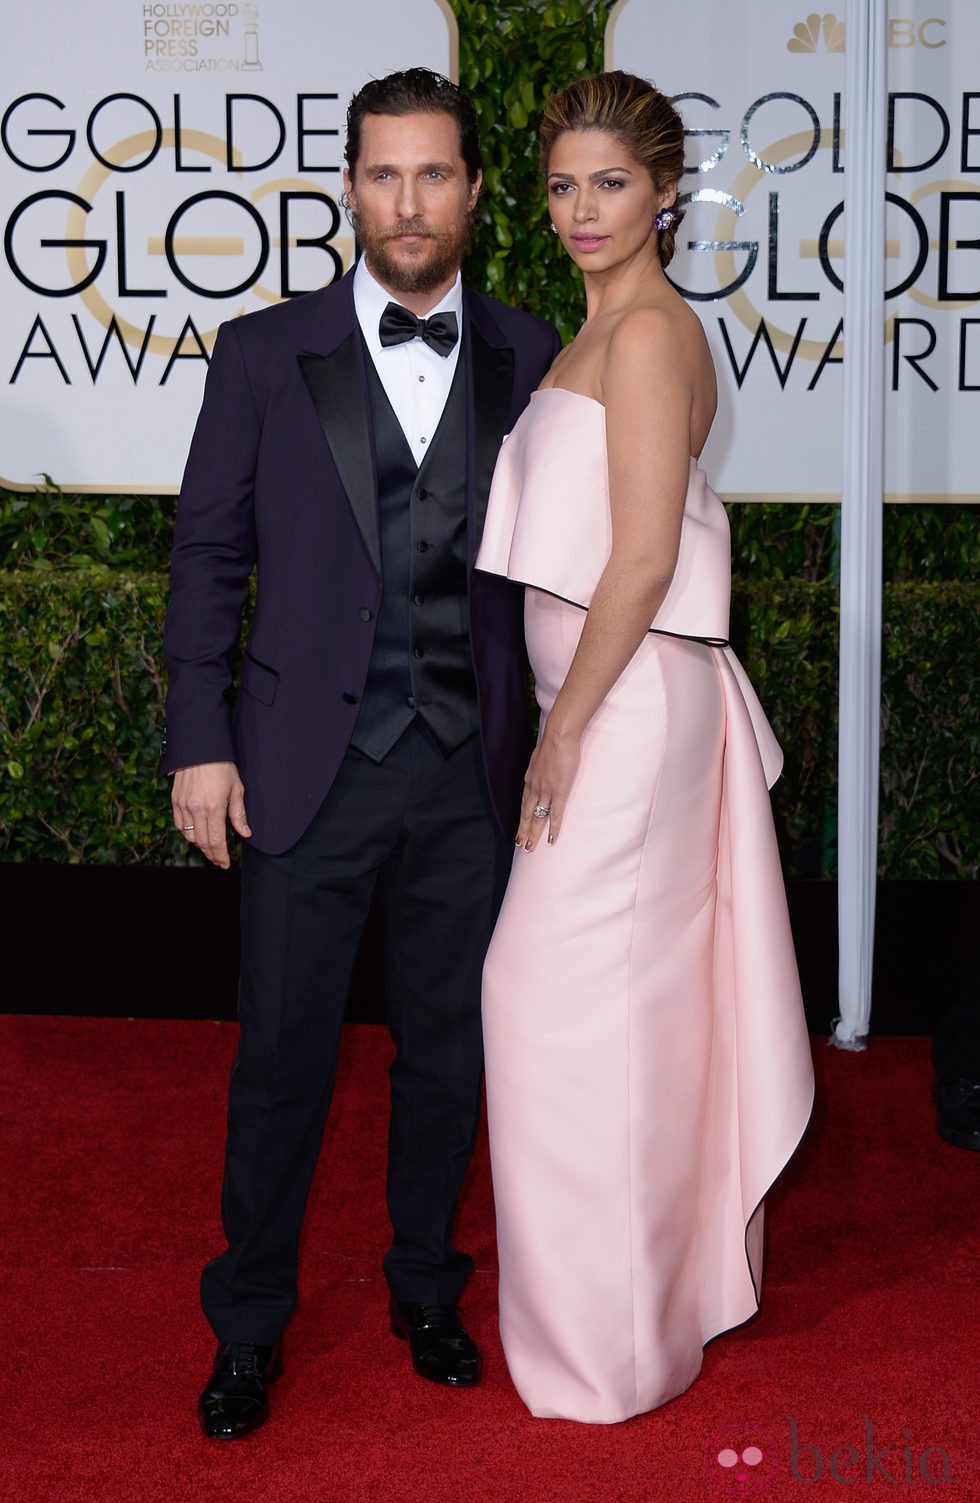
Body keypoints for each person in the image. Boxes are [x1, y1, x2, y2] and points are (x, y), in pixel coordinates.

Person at [162, 67, 560, 1440]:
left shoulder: (529, 349)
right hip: (297, 766)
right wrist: (200, 742)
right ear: (349, 188)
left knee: (450, 1052)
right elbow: (208, 555)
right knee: (282, 1058)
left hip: (469, 771)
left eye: (433, 175)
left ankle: (427, 1290)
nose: (408, 202)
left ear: (472, 191)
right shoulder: (264, 354)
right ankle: (249, 1325)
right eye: (383, 175)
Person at [475, 71, 815, 1424]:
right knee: (607, 1016)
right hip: (608, 708)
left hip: (626, 713)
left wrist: (560, 734)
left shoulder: (653, 336)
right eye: (563, 183)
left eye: (611, 183)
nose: (582, 209)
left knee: (552, 1005)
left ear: (668, 192)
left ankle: (611, 1345)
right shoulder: (595, 334)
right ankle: (631, 1314)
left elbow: (644, 559)